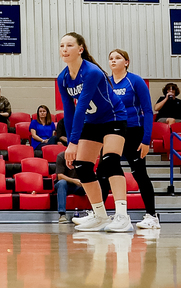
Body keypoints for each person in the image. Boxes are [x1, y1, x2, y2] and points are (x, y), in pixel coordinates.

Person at [58, 32, 129, 233]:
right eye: (62, 46)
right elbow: (69, 111)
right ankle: (100, 216)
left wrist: (74, 142)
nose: (64, 49)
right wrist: (71, 143)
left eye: (69, 45)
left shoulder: (92, 72)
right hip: (92, 122)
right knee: (82, 165)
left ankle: (122, 216)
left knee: (110, 161)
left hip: (113, 118)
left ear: (80, 49)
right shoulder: (63, 78)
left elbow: (81, 106)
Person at [108, 49, 159, 231]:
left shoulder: (135, 81)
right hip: (113, 132)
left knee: (139, 173)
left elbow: (148, 111)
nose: (113, 61)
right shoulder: (106, 82)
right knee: (106, 171)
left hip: (134, 132)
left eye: (118, 58)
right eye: (111, 58)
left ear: (126, 62)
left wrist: (146, 140)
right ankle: (104, 215)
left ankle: (152, 216)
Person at [54, 159, 85, 224]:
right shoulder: (61, 156)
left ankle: (95, 213)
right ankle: (62, 215)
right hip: (64, 186)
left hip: (78, 185)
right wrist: (74, 180)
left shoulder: (82, 157)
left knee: (93, 183)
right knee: (62, 183)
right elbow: (60, 176)